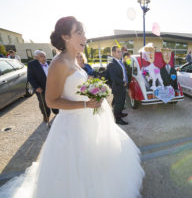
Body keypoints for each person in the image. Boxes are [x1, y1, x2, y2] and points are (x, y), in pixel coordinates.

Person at [0, 16, 144, 198]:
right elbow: (51, 101)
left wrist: (92, 90)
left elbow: (74, 87)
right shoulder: (58, 64)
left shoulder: (74, 61)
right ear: (66, 37)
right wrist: (85, 103)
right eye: (79, 33)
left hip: (88, 120)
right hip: (71, 127)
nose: (85, 37)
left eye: (84, 33)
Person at [27, 50, 59, 123]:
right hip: (41, 88)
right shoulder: (31, 64)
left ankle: (56, 112)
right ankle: (46, 115)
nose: (44, 58)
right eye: (41, 56)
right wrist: (36, 87)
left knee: (54, 100)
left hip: (52, 87)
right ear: (36, 58)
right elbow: (30, 78)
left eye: (44, 56)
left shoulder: (49, 62)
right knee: (44, 103)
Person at [106, 46, 129, 125]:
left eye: (120, 52)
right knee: (118, 103)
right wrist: (123, 83)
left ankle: (120, 113)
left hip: (123, 86)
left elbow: (123, 73)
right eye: (118, 52)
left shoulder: (120, 61)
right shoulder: (112, 64)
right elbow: (114, 78)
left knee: (122, 101)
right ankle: (117, 119)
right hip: (118, 86)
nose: (120, 53)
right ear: (113, 53)